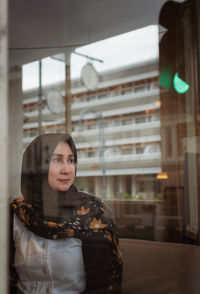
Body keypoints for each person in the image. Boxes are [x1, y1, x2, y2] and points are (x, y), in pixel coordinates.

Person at [10, 133, 123, 294]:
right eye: (57, 160)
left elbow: (101, 287)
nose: (67, 169)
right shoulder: (18, 213)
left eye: (71, 160)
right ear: (35, 167)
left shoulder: (93, 214)